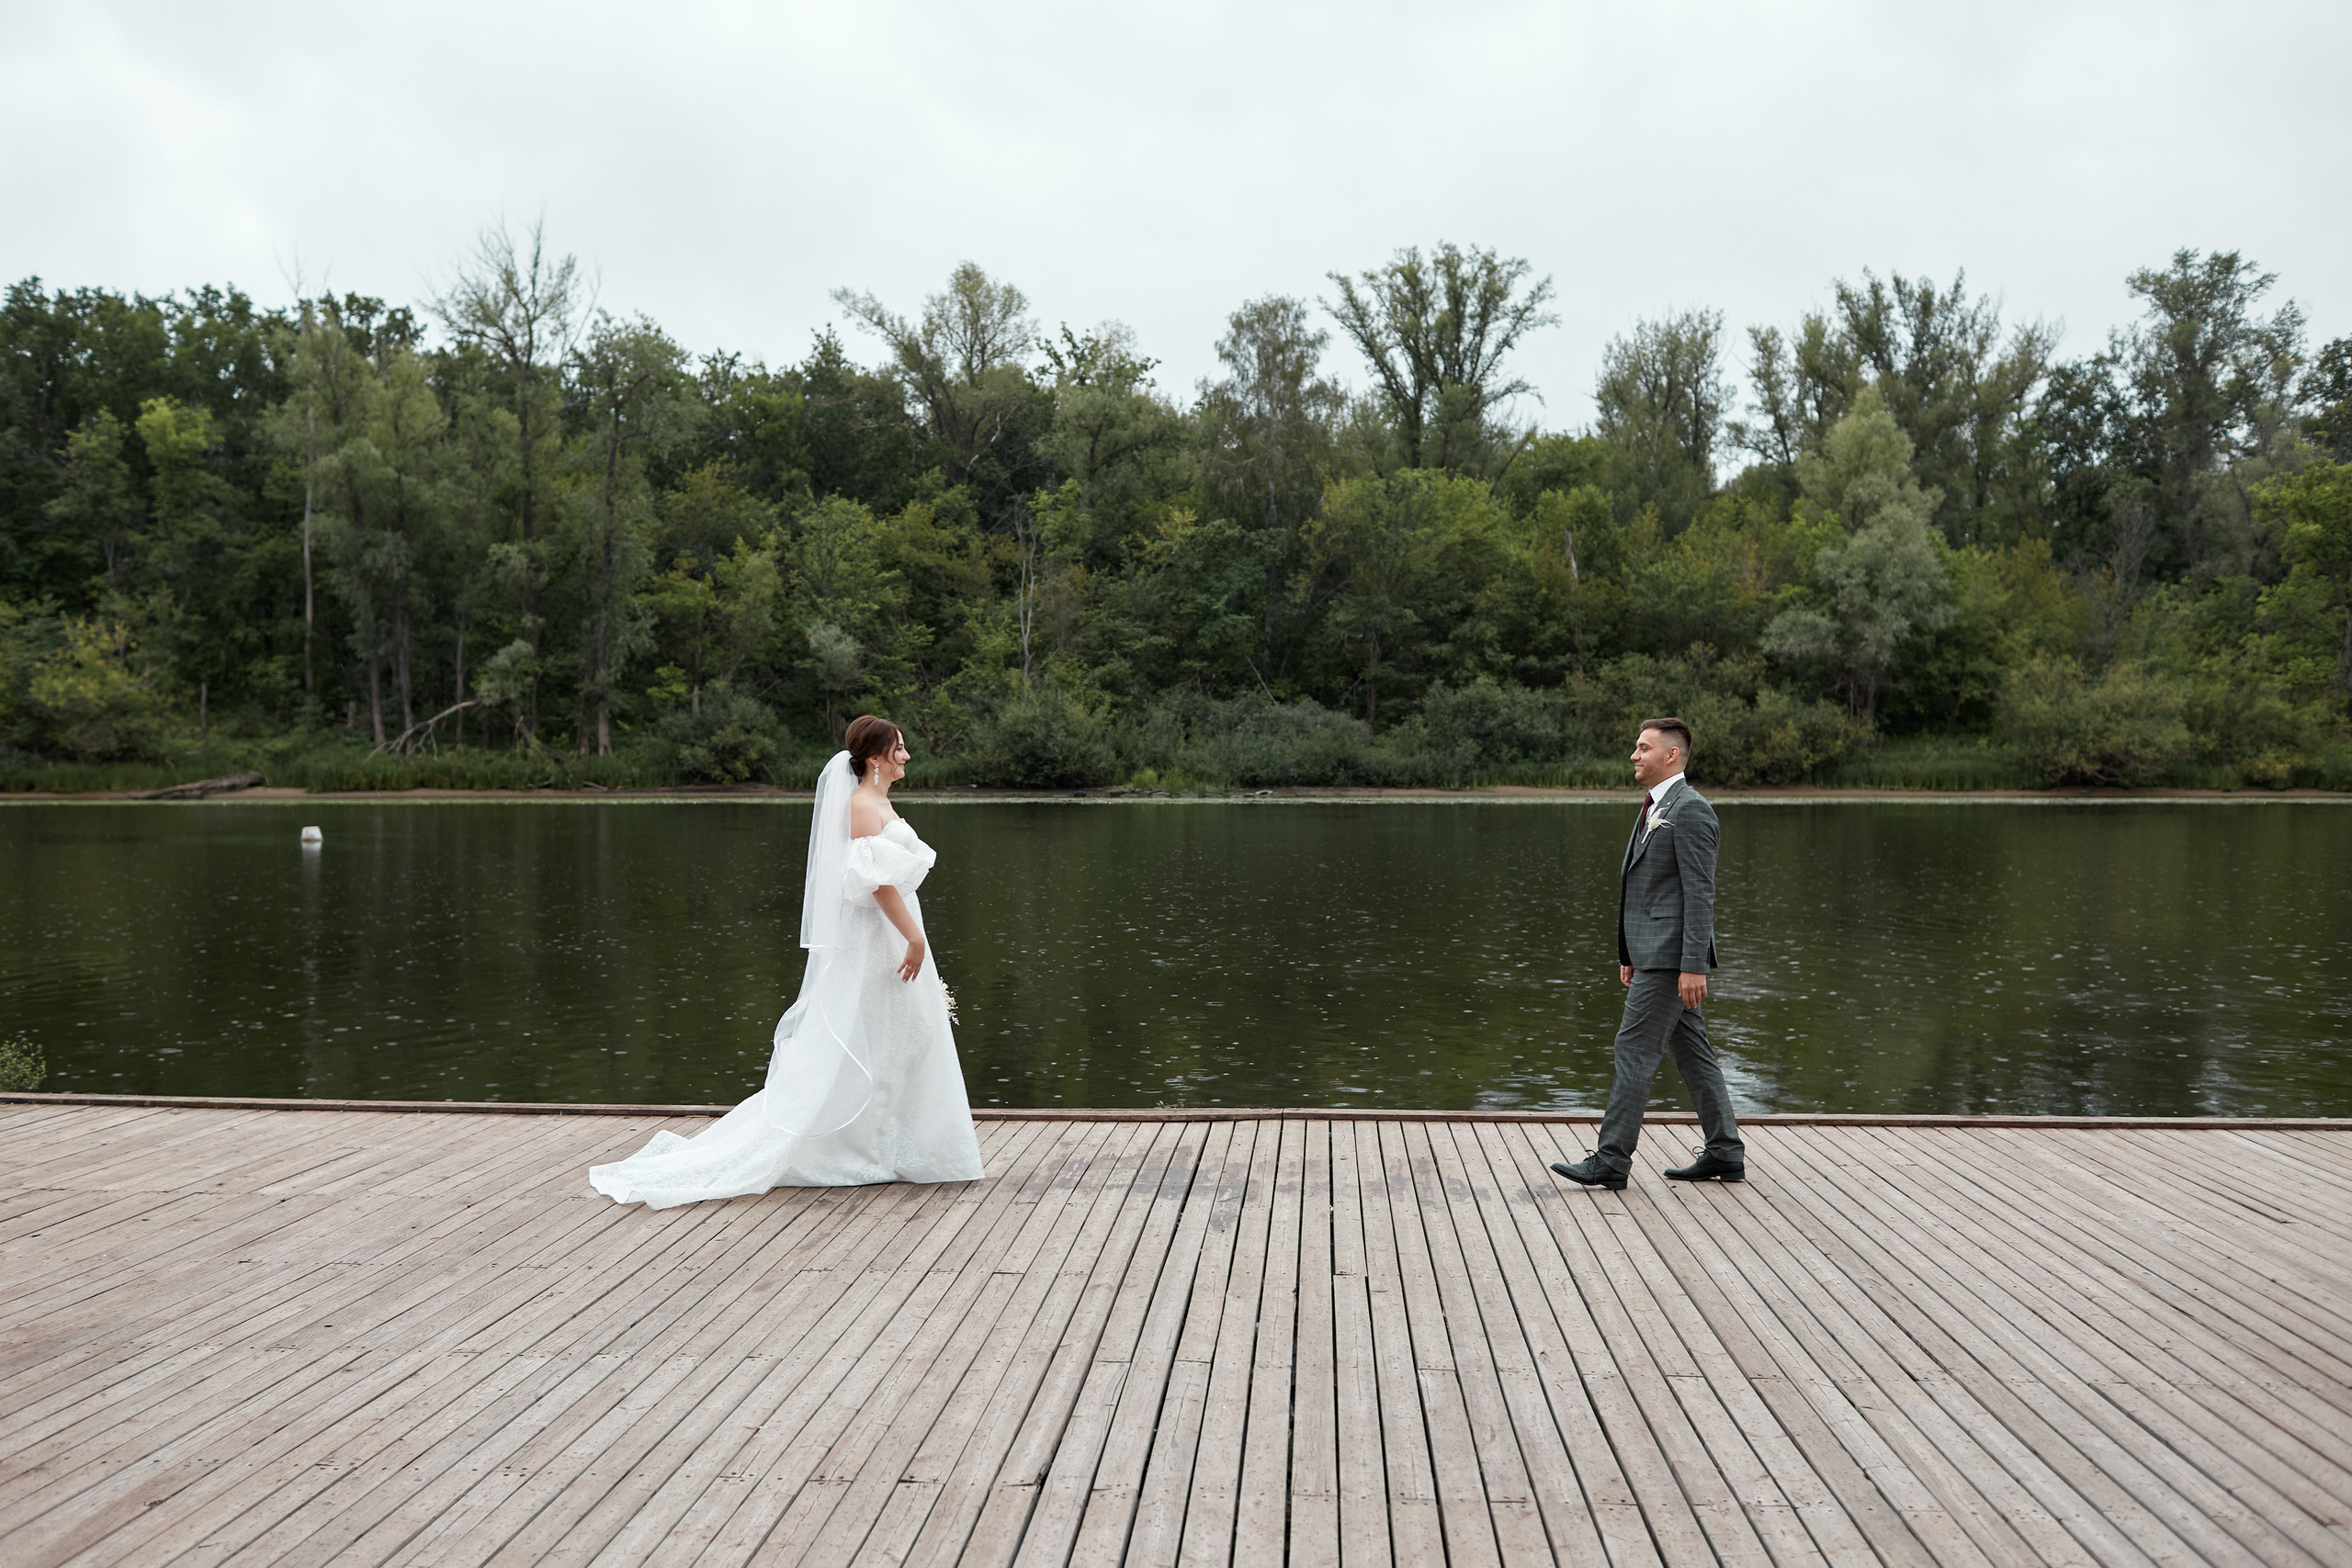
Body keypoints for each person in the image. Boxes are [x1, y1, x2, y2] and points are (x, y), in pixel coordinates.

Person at [589, 716, 984, 1207]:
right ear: (877, 756)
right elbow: (877, 884)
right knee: (869, 1033)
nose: (906, 756)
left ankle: (900, 1145)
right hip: (879, 935)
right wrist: (915, 939)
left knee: (902, 1033)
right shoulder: (862, 805)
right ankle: (855, 1146)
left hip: (892, 931)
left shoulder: (880, 801)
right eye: (899, 749)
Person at [1551, 717, 1745, 1190]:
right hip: (1652, 954)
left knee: (1633, 1048)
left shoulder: (1691, 810)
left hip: (1672, 959)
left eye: (1643, 748)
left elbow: (1700, 894)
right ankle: (1724, 1152)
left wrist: (1693, 965)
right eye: (1635, 747)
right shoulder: (1658, 806)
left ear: (1671, 755)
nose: (1634, 756)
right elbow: (1647, 890)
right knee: (1693, 1053)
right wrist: (1629, 951)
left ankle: (1612, 1160)